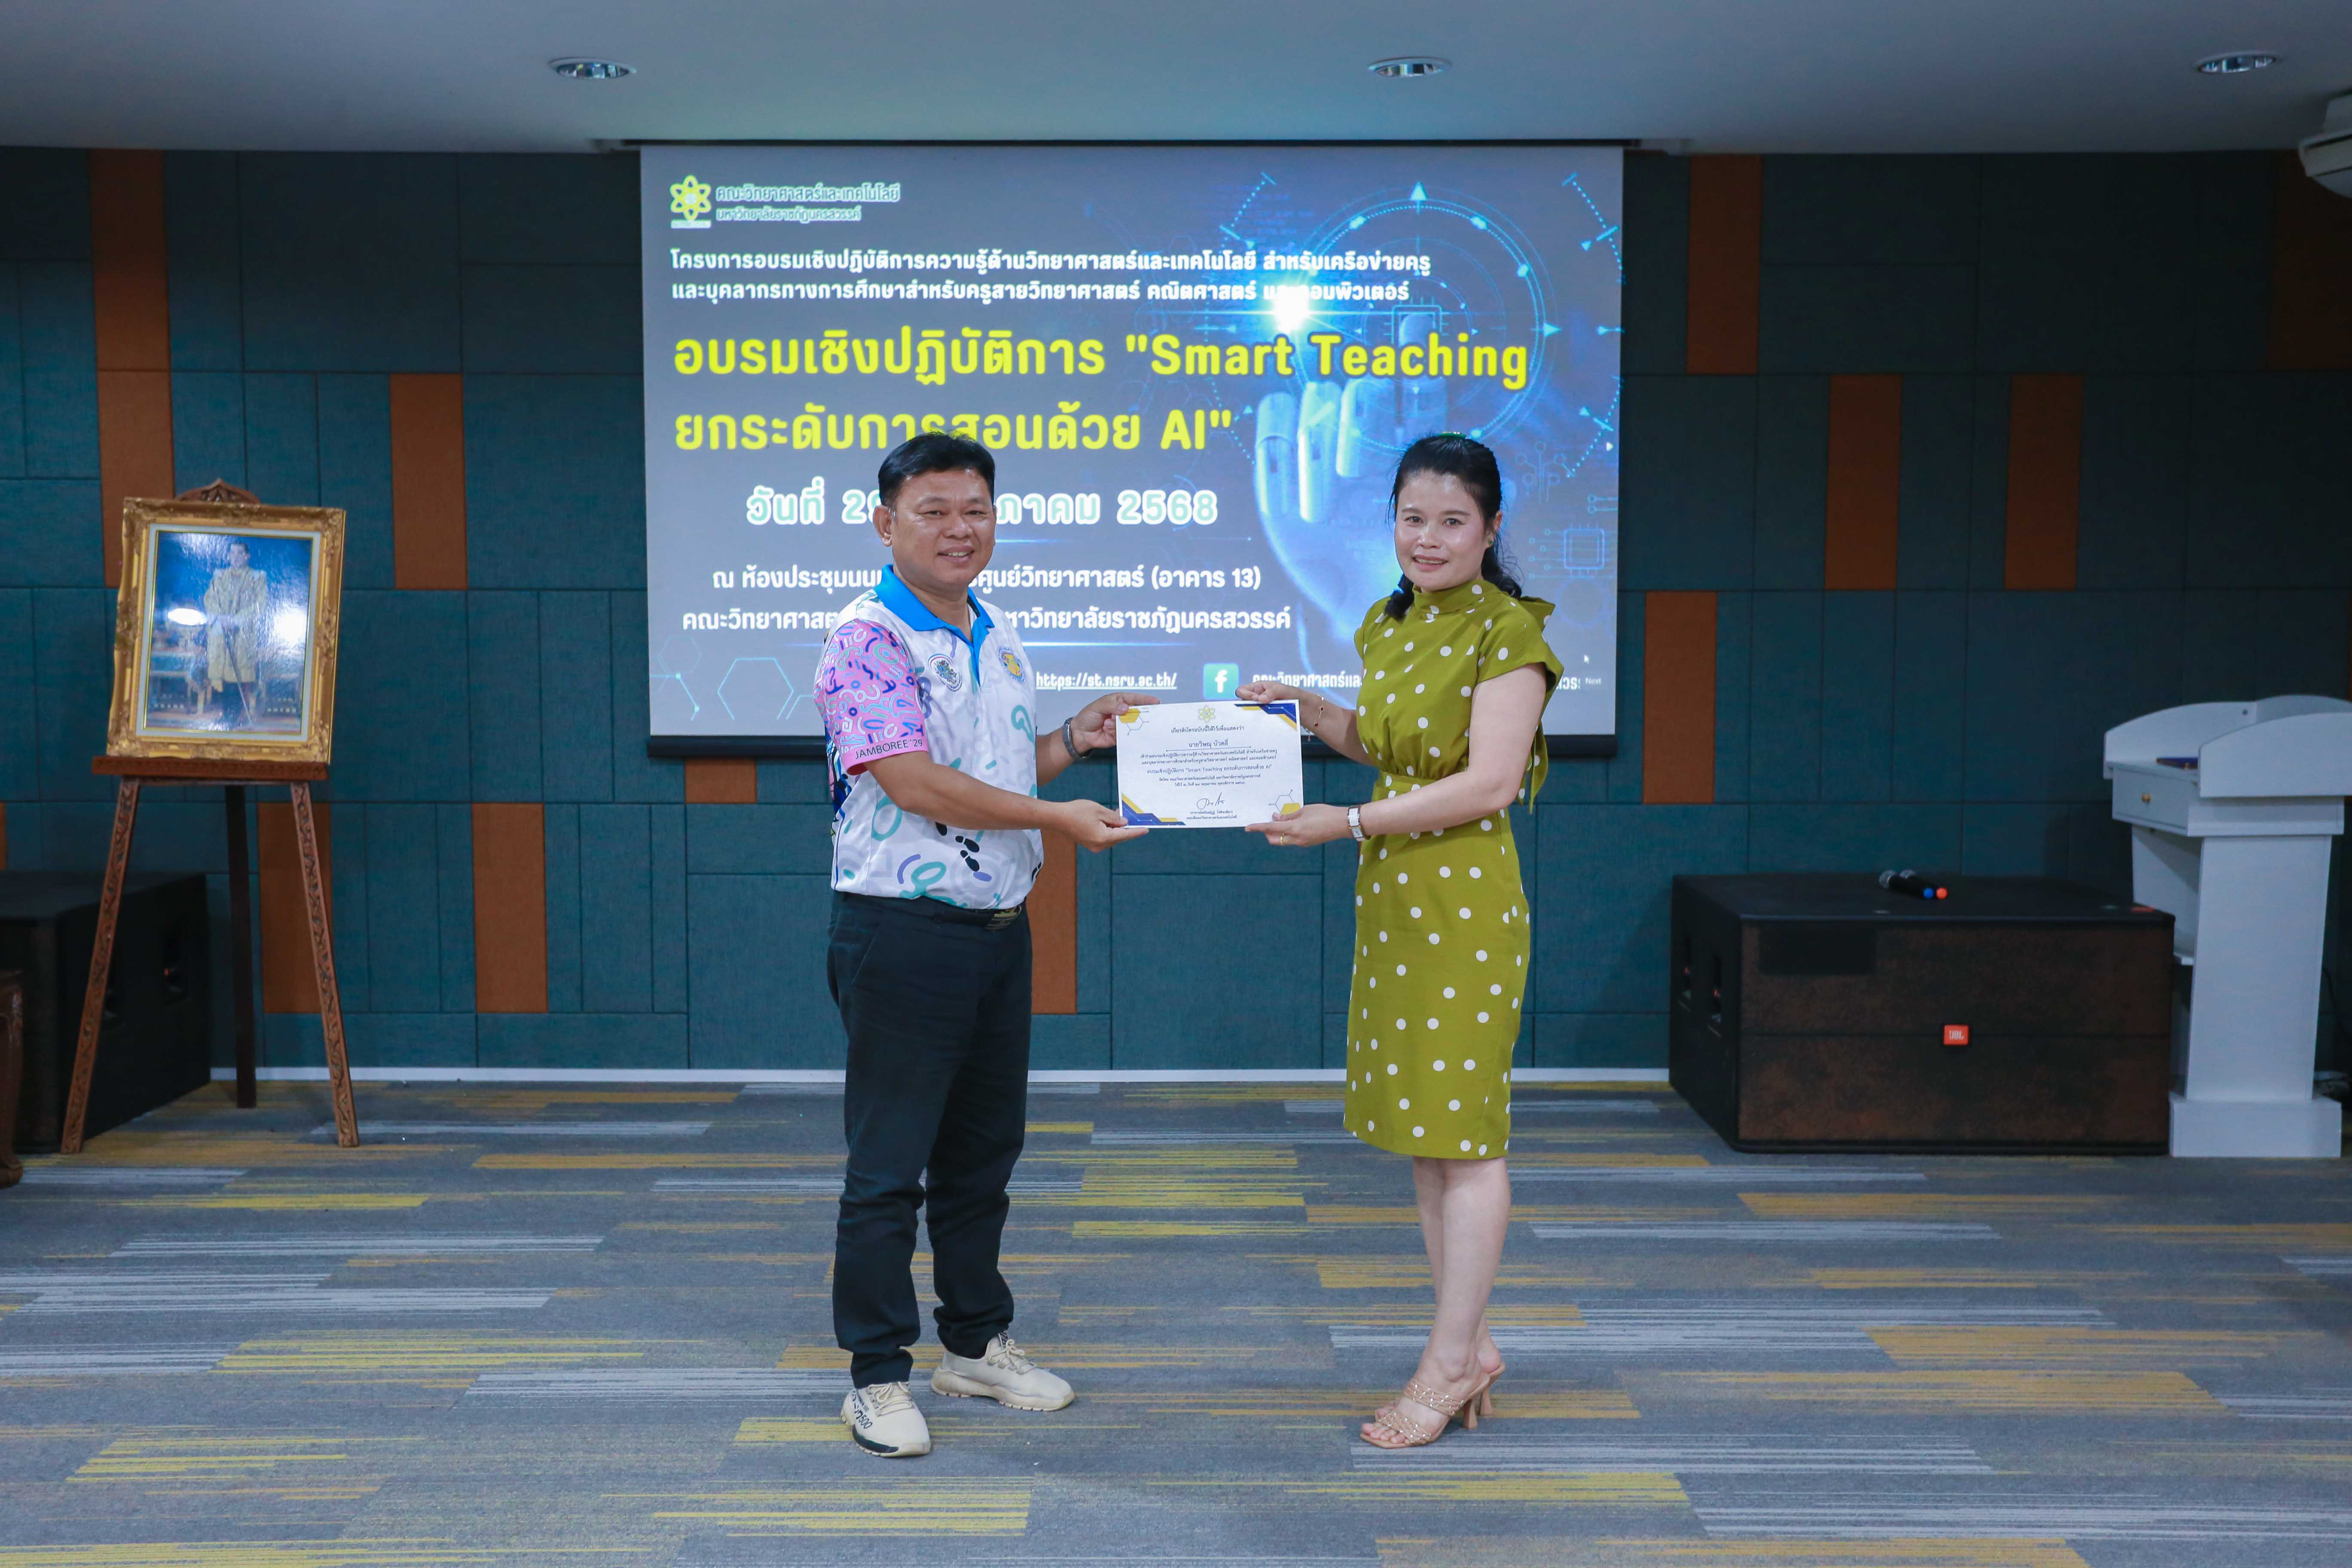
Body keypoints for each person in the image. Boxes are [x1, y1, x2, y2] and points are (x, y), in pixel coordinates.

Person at [813, 432, 1156, 1458]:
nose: (959, 529)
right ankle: (876, 1376)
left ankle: (972, 1344)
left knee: (980, 1157)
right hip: (901, 930)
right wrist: (1057, 817)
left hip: (998, 929)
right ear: (886, 523)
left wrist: (1075, 741)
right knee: (889, 1167)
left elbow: (997, 769)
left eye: (976, 510)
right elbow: (913, 781)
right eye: (935, 511)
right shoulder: (866, 638)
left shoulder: (994, 630)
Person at [1241, 433, 1559, 1450]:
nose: (1427, 538)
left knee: (1466, 1139)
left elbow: (1488, 783)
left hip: (1463, 904)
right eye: (1412, 518)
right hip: (1397, 901)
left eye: (1451, 521)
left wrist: (1347, 821)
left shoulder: (1508, 632)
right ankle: (1469, 1342)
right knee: (1429, 1140)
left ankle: (1448, 1361)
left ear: (1490, 528)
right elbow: (1389, 746)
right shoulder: (1393, 621)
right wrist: (1309, 712)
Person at [202, 538, 267, 727]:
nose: (236, 557)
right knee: (222, 675)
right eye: (233, 553)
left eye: (240, 553)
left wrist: (236, 620)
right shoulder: (220, 576)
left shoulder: (257, 578)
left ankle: (238, 716)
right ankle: (226, 715)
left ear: (247, 556)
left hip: (242, 634)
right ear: (229, 556)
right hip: (220, 632)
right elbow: (210, 599)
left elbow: (260, 605)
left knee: (238, 673)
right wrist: (221, 618)